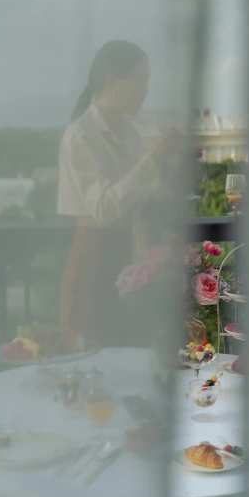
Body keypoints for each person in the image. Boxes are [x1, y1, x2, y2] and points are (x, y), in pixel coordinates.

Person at [58, 40, 179, 344]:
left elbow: (140, 199)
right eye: (140, 81)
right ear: (112, 81)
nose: (146, 91)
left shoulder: (130, 134)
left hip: (128, 259)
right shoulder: (80, 135)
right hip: (94, 256)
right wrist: (152, 160)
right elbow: (103, 209)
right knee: (89, 353)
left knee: (126, 355)